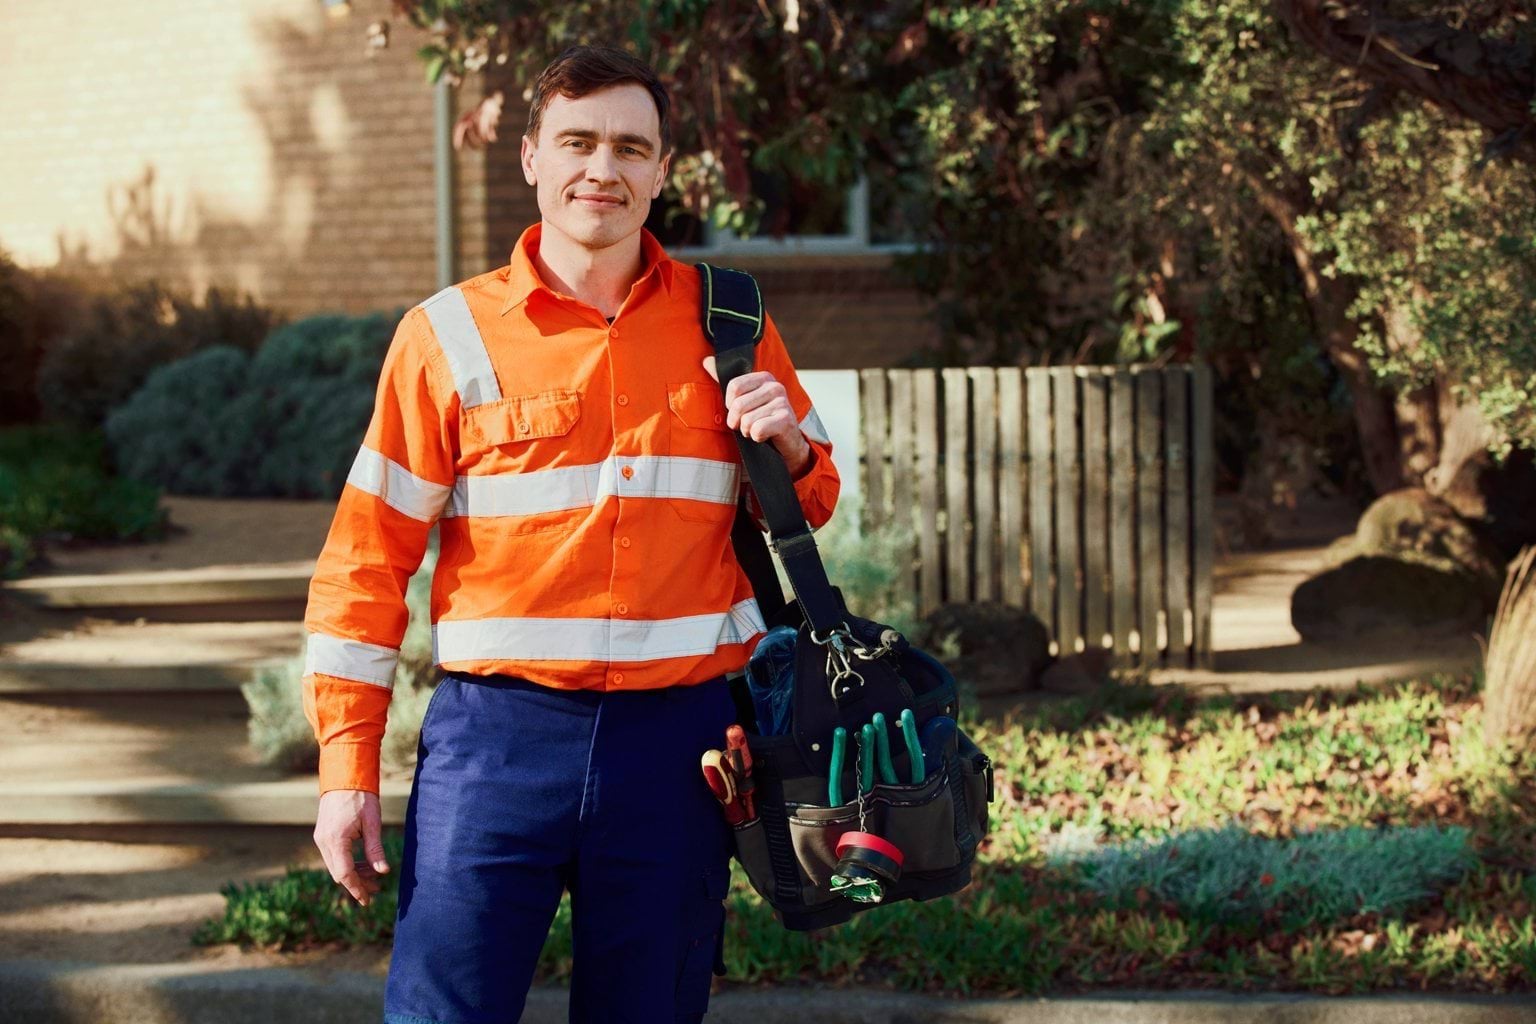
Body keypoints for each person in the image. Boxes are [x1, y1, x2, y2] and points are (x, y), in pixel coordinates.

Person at [301, 44, 840, 1023]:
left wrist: (793, 450)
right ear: (531, 158)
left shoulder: (734, 322)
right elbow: (364, 563)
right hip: (493, 744)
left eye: (631, 147)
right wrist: (347, 769)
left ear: (664, 170)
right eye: (578, 142)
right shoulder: (444, 336)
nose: (604, 169)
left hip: (682, 749)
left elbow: (813, 502)